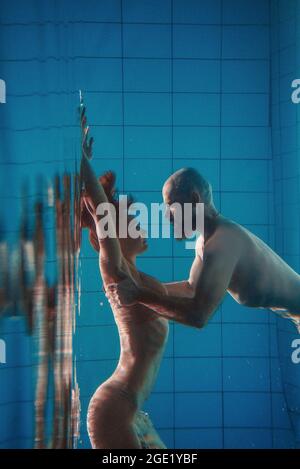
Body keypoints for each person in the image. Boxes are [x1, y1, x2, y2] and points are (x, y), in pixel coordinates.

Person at [108, 167, 300, 333]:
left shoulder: (223, 242)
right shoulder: (206, 241)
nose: (167, 216)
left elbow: (198, 316)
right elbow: (191, 288)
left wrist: (140, 295)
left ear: (194, 198)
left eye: (170, 206)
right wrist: (138, 286)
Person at [81, 156, 169, 449]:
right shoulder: (116, 272)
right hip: (114, 409)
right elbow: (101, 210)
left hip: (131, 409)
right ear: (115, 232)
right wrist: (81, 155)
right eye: (133, 221)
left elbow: (193, 301)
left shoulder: (139, 279)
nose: (141, 226)